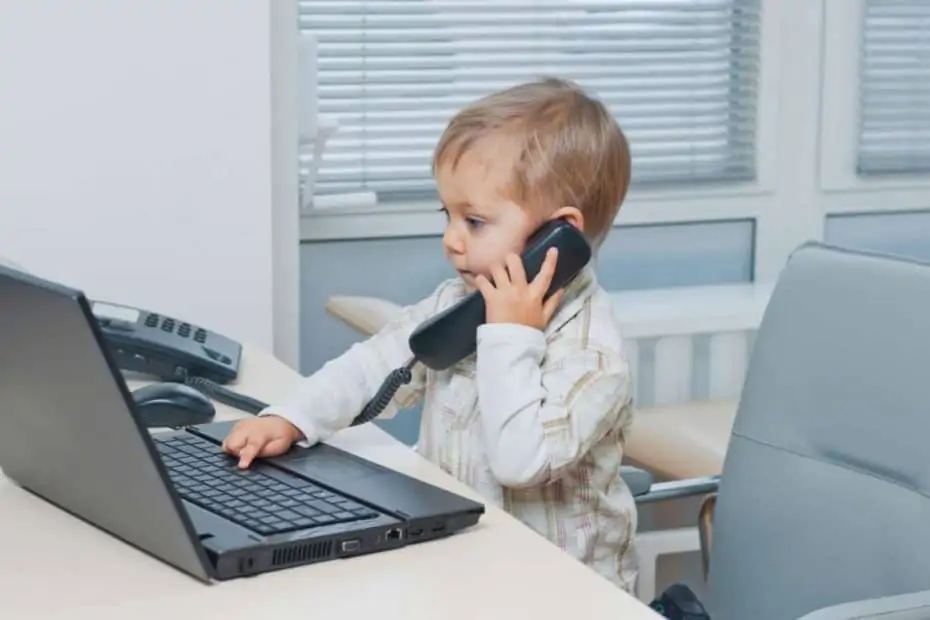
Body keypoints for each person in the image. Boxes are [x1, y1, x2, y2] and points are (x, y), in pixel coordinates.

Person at [222, 77, 638, 591]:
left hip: (559, 591)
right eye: (448, 214)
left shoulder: (593, 355)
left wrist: (510, 335)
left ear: (557, 236)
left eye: (475, 221)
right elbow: (373, 364)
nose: (451, 240)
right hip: (463, 565)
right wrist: (293, 416)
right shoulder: (458, 303)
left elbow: (520, 462)